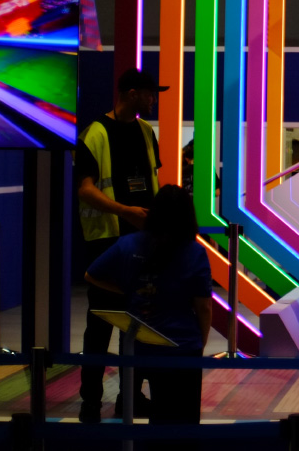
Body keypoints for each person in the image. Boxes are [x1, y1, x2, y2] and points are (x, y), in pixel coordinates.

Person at [75, 67, 167, 423]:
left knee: (142, 326)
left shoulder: (146, 131)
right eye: (148, 93)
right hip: (107, 243)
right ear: (130, 93)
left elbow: (152, 182)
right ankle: (90, 404)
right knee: (99, 326)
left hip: (145, 243)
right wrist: (125, 211)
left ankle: (130, 398)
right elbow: (85, 189)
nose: (152, 99)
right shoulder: (95, 134)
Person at [86, 185, 211, 439]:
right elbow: (204, 307)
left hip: (139, 345)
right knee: (183, 424)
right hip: (182, 345)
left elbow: (91, 274)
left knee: (152, 423)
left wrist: (129, 289)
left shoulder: (128, 244)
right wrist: (201, 342)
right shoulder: (195, 252)